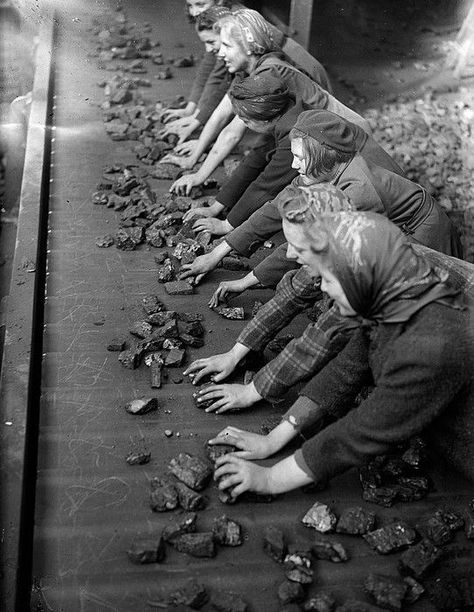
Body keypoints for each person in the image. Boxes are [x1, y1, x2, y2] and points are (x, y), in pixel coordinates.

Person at [207, 206, 474, 498]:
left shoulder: (430, 344)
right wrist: (275, 439)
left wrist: (272, 478)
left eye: (329, 280)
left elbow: (364, 430)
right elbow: (346, 369)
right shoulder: (391, 294)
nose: (323, 288)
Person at [180, 108, 461, 288]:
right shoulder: (320, 169)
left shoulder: (357, 191)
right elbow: (277, 207)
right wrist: (217, 253)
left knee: (412, 290)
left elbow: (308, 242)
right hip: (387, 220)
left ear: (322, 155)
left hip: (422, 230)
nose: (293, 165)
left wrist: (246, 281)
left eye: (299, 158)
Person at [169, 8, 367, 196]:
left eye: (226, 46)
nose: (220, 53)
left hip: (349, 134)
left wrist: (199, 175)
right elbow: (221, 114)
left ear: (247, 47)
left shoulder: (268, 73)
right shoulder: (250, 68)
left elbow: (232, 133)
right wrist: (193, 157)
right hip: (329, 131)